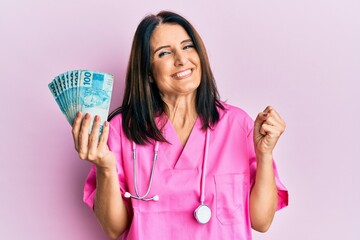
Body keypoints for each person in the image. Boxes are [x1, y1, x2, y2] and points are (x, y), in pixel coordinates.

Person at [72, 10, 288, 240]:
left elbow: (261, 221)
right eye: (164, 53)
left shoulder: (237, 125)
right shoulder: (121, 131)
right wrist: (105, 167)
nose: (181, 59)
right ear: (148, 73)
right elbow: (114, 228)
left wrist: (264, 154)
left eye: (187, 47)